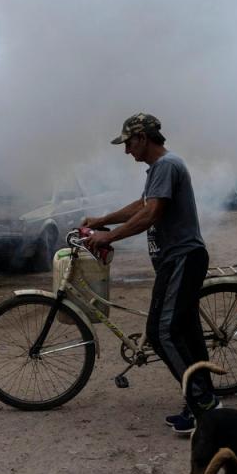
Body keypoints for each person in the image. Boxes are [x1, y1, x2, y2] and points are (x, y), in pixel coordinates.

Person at [82, 112, 218, 435]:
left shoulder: (167, 166)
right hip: (180, 259)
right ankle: (206, 395)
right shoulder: (159, 169)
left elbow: (151, 215)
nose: (127, 150)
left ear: (142, 137)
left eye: (128, 143)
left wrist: (109, 236)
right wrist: (102, 221)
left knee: (161, 333)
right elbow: (142, 205)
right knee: (187, 331)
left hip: (182, 258)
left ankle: (203, 407)